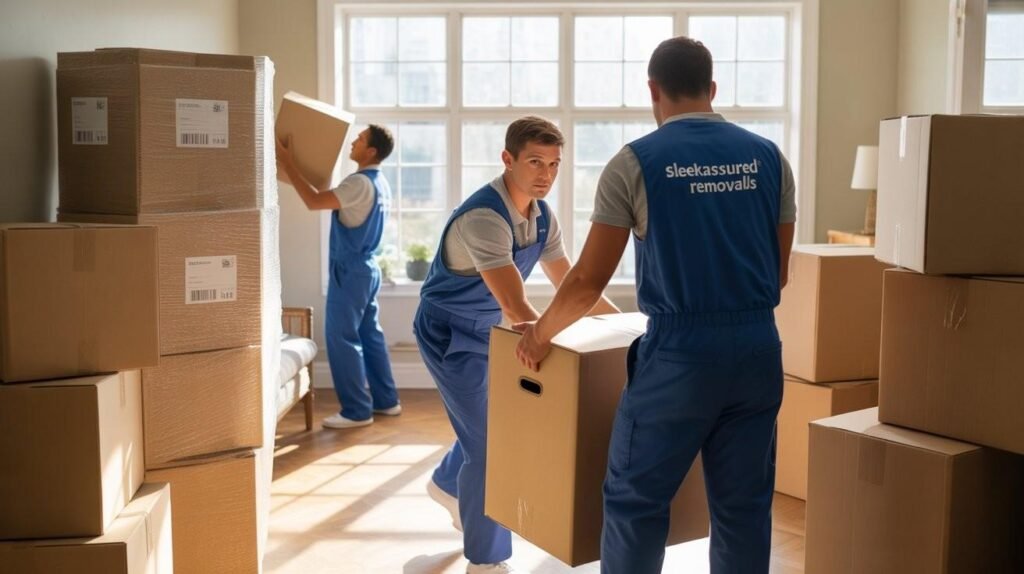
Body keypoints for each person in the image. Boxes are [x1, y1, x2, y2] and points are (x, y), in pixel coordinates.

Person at [514, 36, 797, 574]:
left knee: (636, 502)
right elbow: (778, 275)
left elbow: (586, 281)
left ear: (653, 91)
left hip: (680, 358)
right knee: (743, 509)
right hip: (758, 351)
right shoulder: (769, 158)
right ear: (712, 90)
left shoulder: (635, 163)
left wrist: (539, 334)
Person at [414, 116, 619, 574]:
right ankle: (486, 563)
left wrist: (624, 327)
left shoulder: (542, 217)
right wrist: (547, 339)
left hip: (490, 330)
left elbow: (570, 281)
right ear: (508, 160)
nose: (545, 174)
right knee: (490, 447)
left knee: (491, 429)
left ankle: (447, 484)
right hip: (449, 333)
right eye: (534, 162)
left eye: (554, 164)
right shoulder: (484, 218)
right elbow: (516, 305)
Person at [276, 125, 402, 429]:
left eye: (360, 139)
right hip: (367, 269)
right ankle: (387, 401)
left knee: (341, 337)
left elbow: (315, 201)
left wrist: (288, 162)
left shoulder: (358, 182)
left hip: (351, 271)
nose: (353, 142)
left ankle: (357, 411)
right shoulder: (379, 182)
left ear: (371, 151)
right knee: (370, 335)